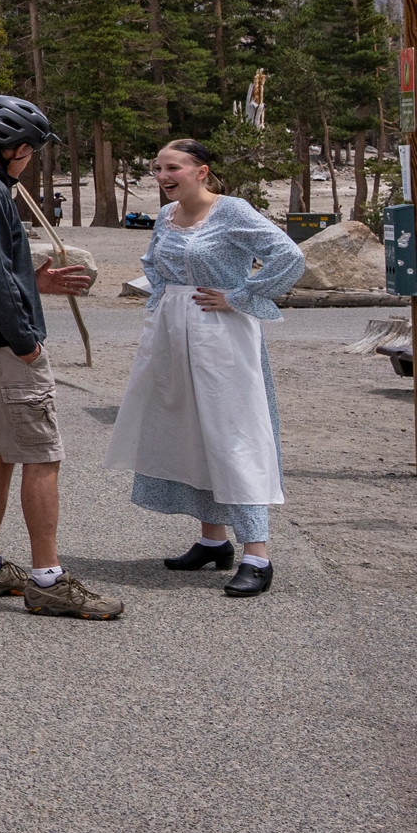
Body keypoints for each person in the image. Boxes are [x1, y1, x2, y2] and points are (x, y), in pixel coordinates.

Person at [0, 98, 117, 619]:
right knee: (40, 453)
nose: (31, 159)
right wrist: (25, 339)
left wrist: (35, 282)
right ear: (18, 149)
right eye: (31, 151)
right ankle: (48, 578)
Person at [104, 139, 306, 598]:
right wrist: (165, 307)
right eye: (157, 169)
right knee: (189, 429)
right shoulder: (164, 216)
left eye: (172, 167)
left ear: (201, 170)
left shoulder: (232, 210)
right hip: (173, 331)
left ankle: (258, 554)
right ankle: (213, 540)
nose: (162, 176)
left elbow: (289, 256)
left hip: (221, 332)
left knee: (233, 433)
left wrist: (239, 295)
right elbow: (154, 265)